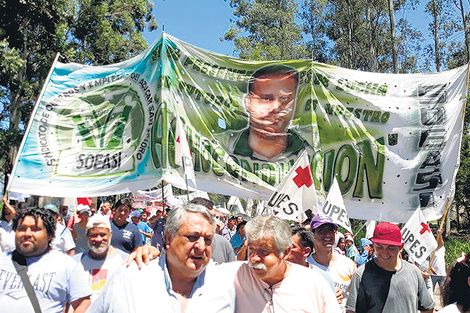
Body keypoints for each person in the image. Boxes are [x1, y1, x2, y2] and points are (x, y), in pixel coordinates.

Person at [89, 203, 235, 312]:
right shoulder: (130, 278)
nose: (201, 247)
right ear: (169, 239)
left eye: (208, 240)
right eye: (192, 237)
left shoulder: (224, 284)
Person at [232, 215, 341, 312]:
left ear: (285, 251)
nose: (254, 258)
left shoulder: (316, 283)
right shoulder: (233, 277)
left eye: (264, 251)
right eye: (251, 249)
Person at [0, 207, 91, 312]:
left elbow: (83, 304)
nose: (27, 234)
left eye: (35, 229)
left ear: (50, 235)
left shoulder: (66, 265)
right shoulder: (2, 260)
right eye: (22, 229)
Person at [345, 222, 435, 313]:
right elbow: (352, 311)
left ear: (401, 247)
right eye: (379, 246)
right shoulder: (361, 275)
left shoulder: (413, 273)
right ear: (373, 245)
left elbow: (428, 308)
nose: (385, 252)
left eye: (391, 247)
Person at [231, 64, 307, 161]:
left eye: (284, 99)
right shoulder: (222, 147)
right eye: (266, 98)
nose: (276, 107)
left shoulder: (309, 153)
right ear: (248, 102)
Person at [74, 214, 128, 303]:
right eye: (93, 235)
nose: (98, 239)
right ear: (87, 236)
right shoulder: (75, 263)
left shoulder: (125, 261)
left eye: (103, 235)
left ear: (110, 235)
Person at [308, 216, 356, 312]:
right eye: (321, 231)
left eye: (331, 230)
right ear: (312, 234)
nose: (327, 235)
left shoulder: (349, 265)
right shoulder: (305, 265)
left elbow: (355, 299)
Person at [288, 226, 336, 292]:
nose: (284, 249)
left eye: (291, 246)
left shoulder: (323, 279)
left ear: (306, 251)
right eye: (283, 245)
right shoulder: (275, 274)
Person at [190, 197, 236, 264]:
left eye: (215, 217)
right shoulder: (179, 241)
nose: (213, 221)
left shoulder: (223, 244)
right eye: (209, 216)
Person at [430, 228, 446, 299]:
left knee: (444, 292)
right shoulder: (430, 250)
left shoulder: (442, 249)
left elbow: (441, 243)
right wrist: (431, 267)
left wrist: (439, 234)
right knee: (430, 292)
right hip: (433, 274)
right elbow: (426, 261)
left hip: (442, 274)